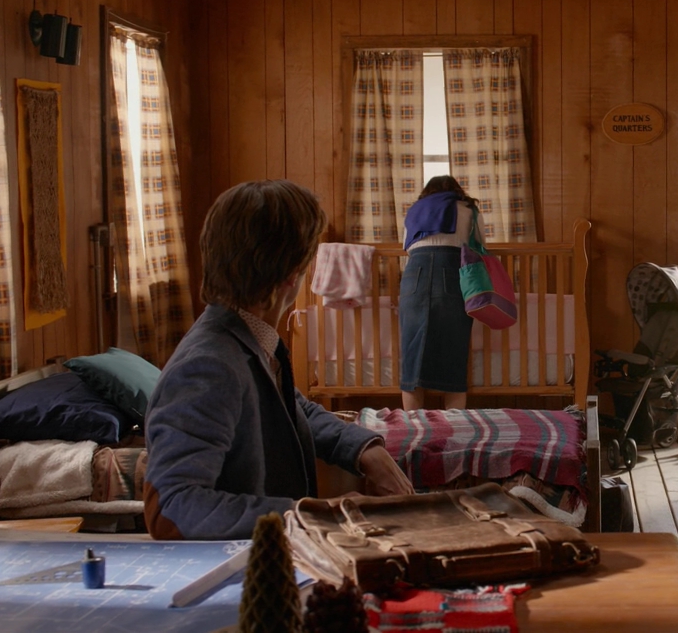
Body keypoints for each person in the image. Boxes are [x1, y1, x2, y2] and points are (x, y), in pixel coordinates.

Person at [144, 179, 415, 541]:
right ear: (291, 274)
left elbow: (292, 408)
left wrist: (365, 448)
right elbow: (173, 510)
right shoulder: (209, 367)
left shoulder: (246, 339)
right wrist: (319, 515)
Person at [398, 175, 484, 410]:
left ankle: (412, 424)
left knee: (412, 353)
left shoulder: (414, 211)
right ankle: (454, 424)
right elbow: (479, 244)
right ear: (456, 189)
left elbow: (406, 247)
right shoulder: (467, 209)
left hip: (414, 273)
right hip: (451, 272)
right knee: (454, 350)